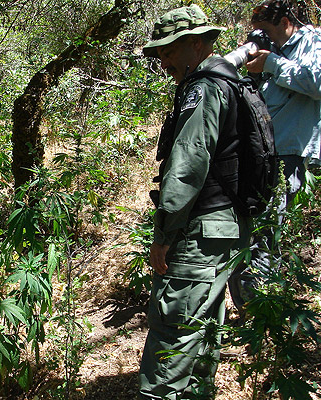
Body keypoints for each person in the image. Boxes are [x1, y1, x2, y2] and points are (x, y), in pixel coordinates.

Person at [139, 5, 250, 399]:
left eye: (170, 50)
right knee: (202, 337)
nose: (164, 61)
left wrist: (164, 235)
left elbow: (187, 166)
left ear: (197, 42)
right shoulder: (233, 81)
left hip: (199, 232)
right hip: (227, 230)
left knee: (173, 339)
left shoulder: (203, 89)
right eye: (161, 53)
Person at [228, 0, 321, 309]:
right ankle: (248, 305)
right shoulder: (264, 47)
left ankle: (260, 309)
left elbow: (317, 82)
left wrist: (272, 65)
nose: (262, 35)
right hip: (253, 152)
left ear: (284, 22)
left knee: (265, 231)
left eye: (266, 29)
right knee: (241, 228)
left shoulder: (313, 42)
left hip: (287, 152)